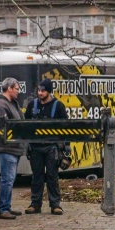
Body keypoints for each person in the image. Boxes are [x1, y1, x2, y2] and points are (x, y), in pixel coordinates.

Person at [24, 79, 69, 215]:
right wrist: (27, 145)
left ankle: (55, 205)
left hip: (52, 147)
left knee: (52, 176)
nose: (40, 93)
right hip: (35, 147)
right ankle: (35, 204)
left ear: (48, 91)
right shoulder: (32, 105)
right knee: (36, 177)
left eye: (43, 90)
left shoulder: (58, 106)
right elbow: (25, 125)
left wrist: (66, 147)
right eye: (39, 90)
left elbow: (66, 128)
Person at [0, 77, 26, 220]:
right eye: (17, 88)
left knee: (10, 178)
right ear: (9, 88)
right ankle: (3, 209)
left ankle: (7, 206)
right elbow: (1, 129)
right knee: (7, 179)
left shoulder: (12, 103)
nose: (18, 91)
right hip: (6, 148)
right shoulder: (0, 105)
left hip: (14, 148)